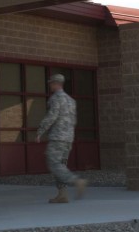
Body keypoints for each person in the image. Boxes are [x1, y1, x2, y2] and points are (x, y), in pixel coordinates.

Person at [36, 74, 88, 203]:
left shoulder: (55, 98)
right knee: (61, 165)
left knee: (54, 164)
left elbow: (52, 116)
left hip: (58, 137)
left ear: (55, 83)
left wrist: (40, 131)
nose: (50, 85)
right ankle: (62, 194)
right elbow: (74, 120)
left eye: (51, 83)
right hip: (68, 138)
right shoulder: (71, 100)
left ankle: (77, 181)